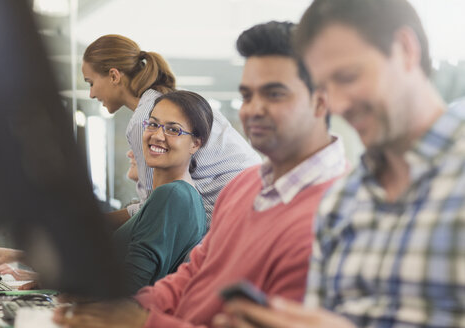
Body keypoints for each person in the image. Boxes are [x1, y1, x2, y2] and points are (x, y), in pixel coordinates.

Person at [54, 20, 346, 328]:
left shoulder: (330, 216)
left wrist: (141, 322)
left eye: (274, 94)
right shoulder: (244, 186)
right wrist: (119, 312)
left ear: (321, 101)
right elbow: (191, 276)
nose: (253, 110)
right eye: (247, 96)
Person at [216, 0, 465, 327]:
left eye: (348, 77)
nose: (338, 104)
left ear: (405, 49)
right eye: (325, 87)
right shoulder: (340, 203)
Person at [82, 34, 261, 226]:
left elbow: (155, 209)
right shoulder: (169, 99)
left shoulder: (145, 118)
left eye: (91, 82)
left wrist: (89, 224)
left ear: (114, 76)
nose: (91, 94)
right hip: (251, 202)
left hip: (234, 214)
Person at [112, 90, 210, 294]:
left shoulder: (172, 196)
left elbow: (130, 288)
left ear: (195, 143)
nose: (157, 136)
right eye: (153, 124)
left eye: (173, 130)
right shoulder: (175, 195)